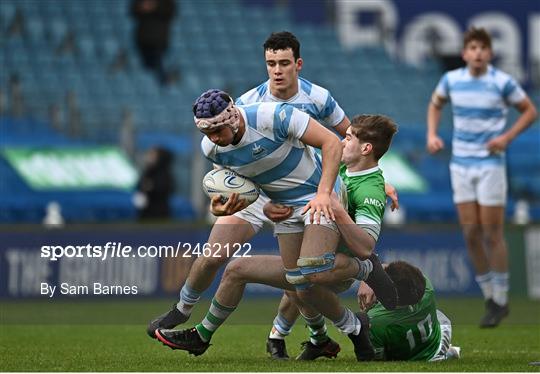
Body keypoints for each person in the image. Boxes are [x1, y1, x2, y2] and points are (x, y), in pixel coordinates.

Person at [147, 31, 399, 358]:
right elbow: (235, 176)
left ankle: (346, 298)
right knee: (219, 255)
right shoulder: (230, 124)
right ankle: (182, 310)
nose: (276, 70)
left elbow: (346, 140)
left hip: (313, 191)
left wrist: (373, 178)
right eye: (270, 64)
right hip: (266, 193)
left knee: (304, 275)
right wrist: (236, 202)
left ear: (298, 64)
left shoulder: (302, 104)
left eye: (283, 63)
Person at [426, 27, 538, 328]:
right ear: (465, 53)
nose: (477, 53)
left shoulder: (501, 82)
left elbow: (529, 111)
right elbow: (435, 104)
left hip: (490, 164)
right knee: (471, 233)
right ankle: (490, 297)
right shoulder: (452, 80)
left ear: (489, 53)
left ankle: (501, 297)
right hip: (461, 164)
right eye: (472, 47)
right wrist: (432, 134)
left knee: (492, 232)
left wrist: (507, 137)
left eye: (482, 48)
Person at [358, 261, 461, 361]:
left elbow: (377, 357)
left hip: (420, 356)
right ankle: (447, 353)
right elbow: (403, 273)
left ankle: (446, 355)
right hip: (441, 337)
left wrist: (367, 278)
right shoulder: (427, 288)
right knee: (437, 314)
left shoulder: (376, 320)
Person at [131, 0, 176, 84]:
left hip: (159, 39)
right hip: (142, 39)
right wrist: (141, 7)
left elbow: (171, 11)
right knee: (145, 66)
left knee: (157, 63)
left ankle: (164, 81)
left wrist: (155, 7)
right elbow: (132, 11)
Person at [134, 147, 175, 220]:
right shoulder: (147, 172)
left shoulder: (164, 174)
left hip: (159, 214)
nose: (148, 157)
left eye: (152, 155)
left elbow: (163, 189)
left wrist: (151, 187)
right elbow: (139, 186)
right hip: (145, 214)